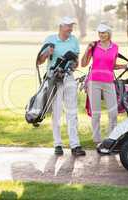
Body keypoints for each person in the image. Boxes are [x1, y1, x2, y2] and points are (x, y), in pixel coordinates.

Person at [37, 16, 86, 157]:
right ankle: (57, 144)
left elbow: (76, 62)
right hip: (54, 79)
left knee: (72, 112)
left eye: (72, 26)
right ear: (61, 26)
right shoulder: (50, 39)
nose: (70, 28)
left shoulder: (74, 40)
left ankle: (75, 145)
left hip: (69, 78)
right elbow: (40, 61)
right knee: (57, 113)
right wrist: (47, 53)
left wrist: (73, 64)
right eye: (68, 26)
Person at [81, 23, 127, 147]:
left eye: (104, 33)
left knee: (113, 112)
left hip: (108, 82)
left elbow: (112, 66)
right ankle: (97, 140)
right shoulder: (94, 46)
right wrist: (87, 49)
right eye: (99, 33)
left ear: (109, 34)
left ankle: (111, 138)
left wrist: (124, 66)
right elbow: (83, 64)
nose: (101, 35)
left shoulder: (115, 47)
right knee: (96, 113)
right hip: (94, 81)